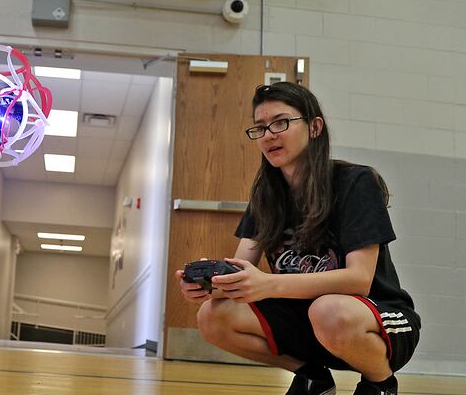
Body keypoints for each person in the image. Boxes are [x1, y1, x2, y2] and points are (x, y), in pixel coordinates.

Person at [176, 82, 420, 395]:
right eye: (260, 128)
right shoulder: (266, 197)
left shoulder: (355, 182)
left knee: (328, 310)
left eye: (281, 122)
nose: (268, 135)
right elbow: (240, 268)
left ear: (314, 127)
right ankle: (312, 378)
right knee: (213, 315)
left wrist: (267, 284)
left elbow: (358, 280)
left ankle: (380, 383)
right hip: (311, 324)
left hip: (377, 318)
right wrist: (210, 282)